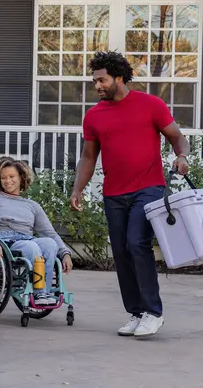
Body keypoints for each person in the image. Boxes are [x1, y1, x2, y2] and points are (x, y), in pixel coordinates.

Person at [70, 51, 191, 338]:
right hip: (114, 193)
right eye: (95, 80)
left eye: (102, 80)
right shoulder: (94, 115)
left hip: (148, 188)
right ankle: (136, 313)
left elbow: (176, 136)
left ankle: (153, 312)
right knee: (122, 252)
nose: (97, 86)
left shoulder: (150, 104)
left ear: (119, 78)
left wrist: (182, 156)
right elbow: (88, 157)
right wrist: (77, 188)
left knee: (137, 244)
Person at [0, 157, 74, 306]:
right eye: (3, 178)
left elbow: (49, 233)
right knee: (31, 247)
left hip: (27, 239)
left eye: (11, 176)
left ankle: (43, 292)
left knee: (50, 244)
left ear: (21, 177)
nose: (7, 181)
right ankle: (40, 294)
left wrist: (65, 253)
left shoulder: (32, 205)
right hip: (4, 241)